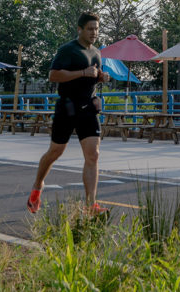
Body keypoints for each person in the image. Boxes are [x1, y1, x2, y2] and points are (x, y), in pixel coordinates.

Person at [27, 11, 111, 214]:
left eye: (97, 29)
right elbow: (53, 75)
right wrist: (82, 73)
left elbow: (90, 78)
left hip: (88, 108)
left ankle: (91, 205)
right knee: (56, 151)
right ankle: (38, 185)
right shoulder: (67, 50)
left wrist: (100, 78)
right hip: (67, 107)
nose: (94, 33)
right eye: (90, 29)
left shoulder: (97, 53)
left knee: (94, 155)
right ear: (80, 29)